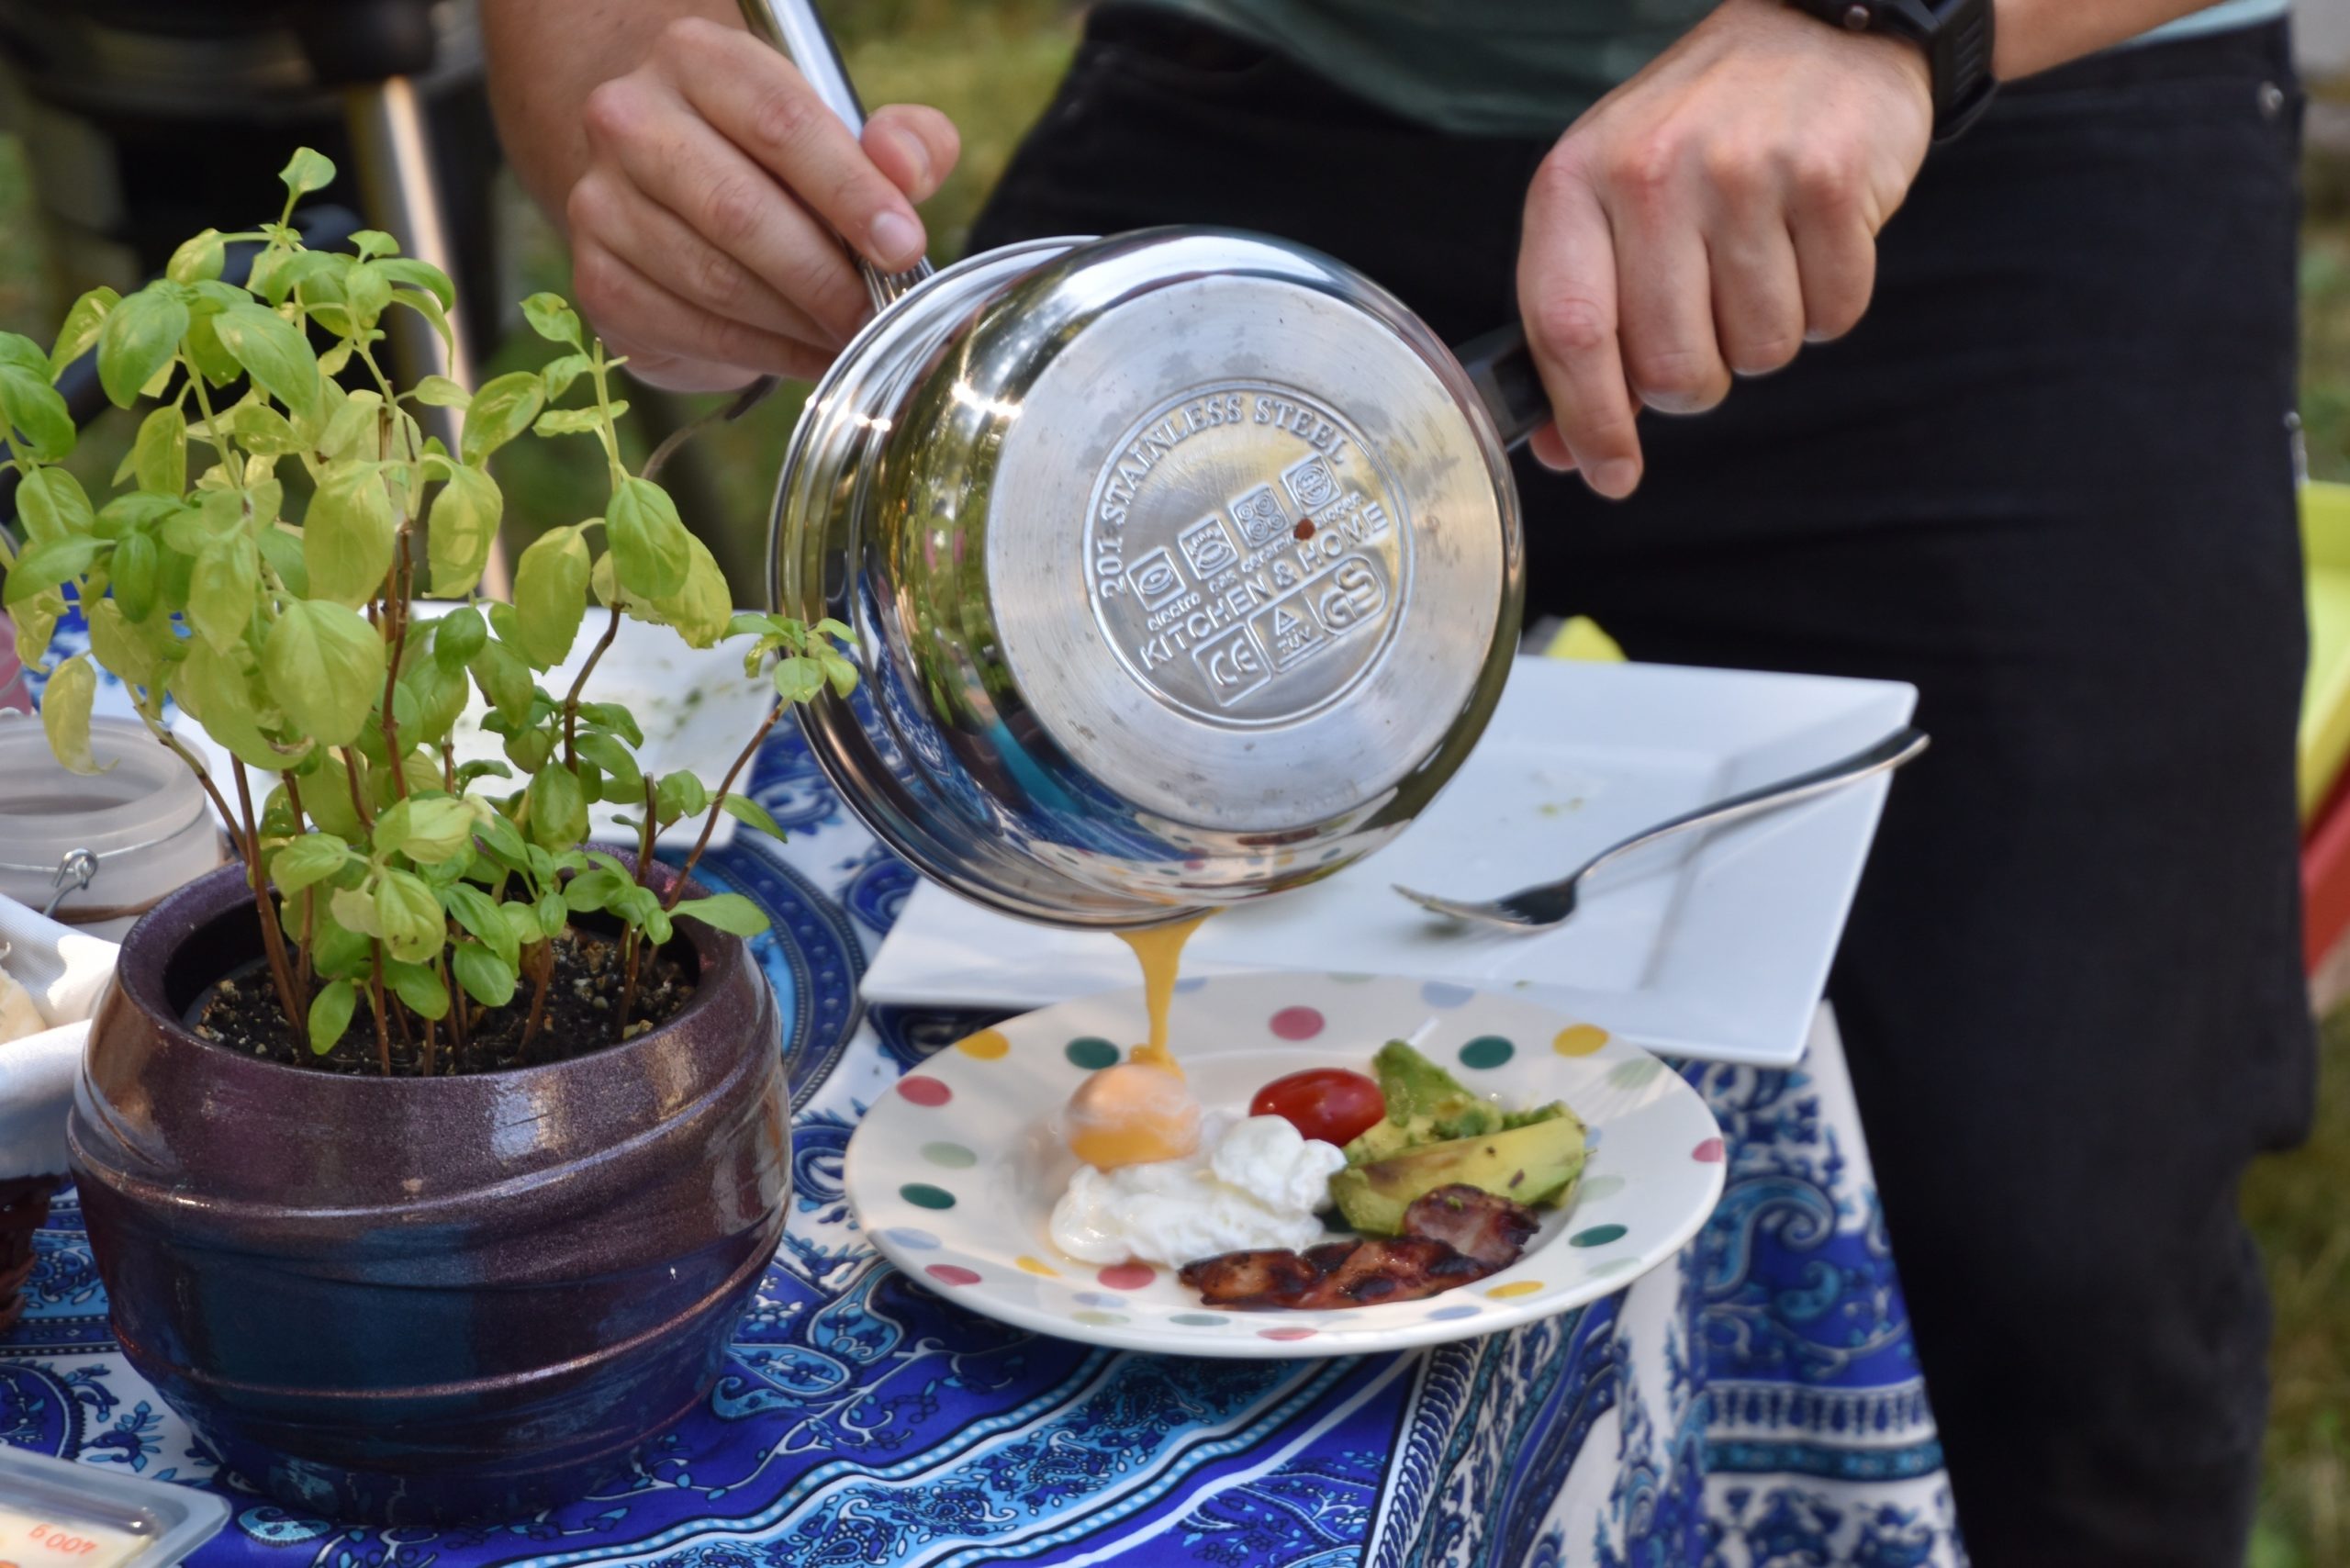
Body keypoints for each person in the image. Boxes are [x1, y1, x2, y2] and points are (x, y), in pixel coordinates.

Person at [479, 0, 2314, 1560]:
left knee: (2045, 1248)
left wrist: (1892, 25)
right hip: (1260, 110)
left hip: (1985, 146)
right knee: (931, 1149)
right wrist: (656, 117)